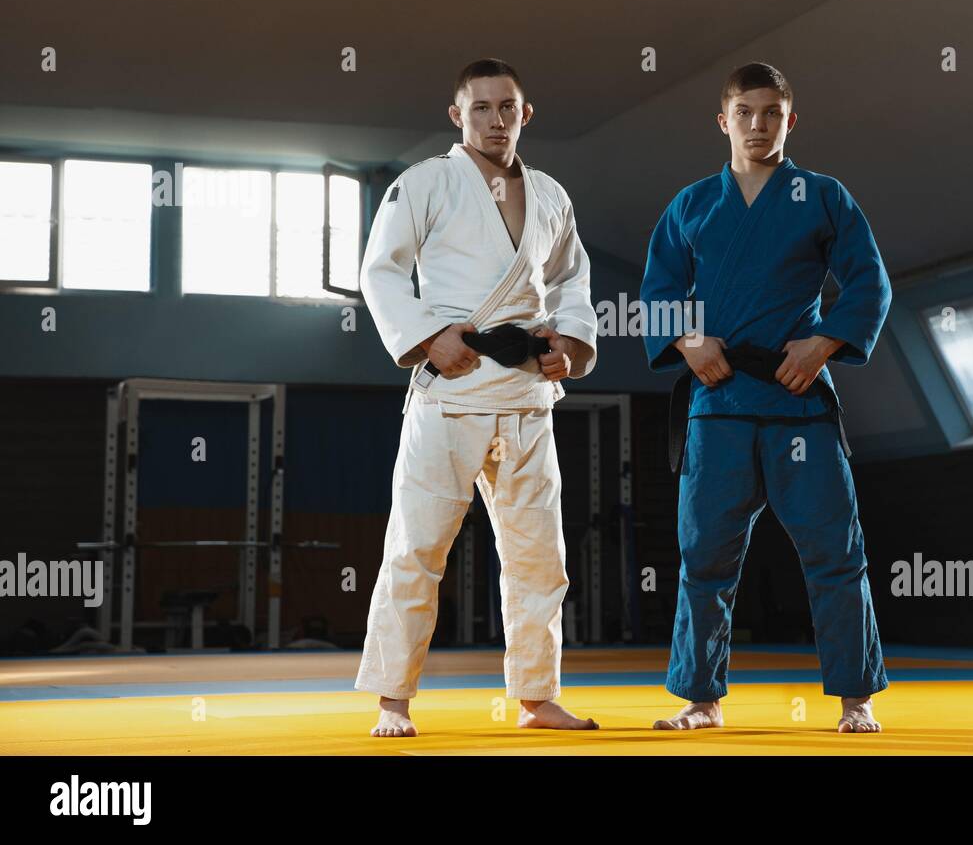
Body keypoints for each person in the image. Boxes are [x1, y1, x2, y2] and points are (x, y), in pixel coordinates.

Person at [640, 62, 892, 733]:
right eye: (745, 113)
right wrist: (690, 341)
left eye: (771, 113)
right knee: (705, 555)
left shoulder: (823, 196)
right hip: (717, 402)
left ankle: (855, 696)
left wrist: (826, 342)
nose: (758, 125)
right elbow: (658, 295)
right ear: (723, 121)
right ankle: (700, 698)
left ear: (790, 120)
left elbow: (869, 280)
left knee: (835, 552)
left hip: (797, 397)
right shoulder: (691, 204)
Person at [355, 58, 600, 736]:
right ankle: (393, 699)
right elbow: (381, 272)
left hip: (525, 394)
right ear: (457, 114)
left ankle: (536, 696)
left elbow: (574, 281)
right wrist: (428, 337)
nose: (496, 120)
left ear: (527, 114)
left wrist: (569, 346)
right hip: (451, 389)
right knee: (417, 549)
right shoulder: (426, 182)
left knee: (539, 557)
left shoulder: (551, 194)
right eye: (482, 107)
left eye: (508, 107)